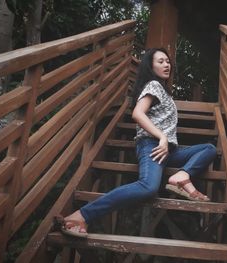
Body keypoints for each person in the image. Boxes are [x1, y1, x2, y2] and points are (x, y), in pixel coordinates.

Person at [56, 48, 217, 238]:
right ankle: (80, 215)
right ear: (150, 66)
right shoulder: (154, 85)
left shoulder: (164, 92)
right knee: (148, 187)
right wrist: (162, 137)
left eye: (168, 61)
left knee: (208, 149)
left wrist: (171, 149)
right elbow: (137, 113)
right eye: (161, 61)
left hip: (169, 151)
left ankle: (182, 176)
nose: (167, 65)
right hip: (152, 145)